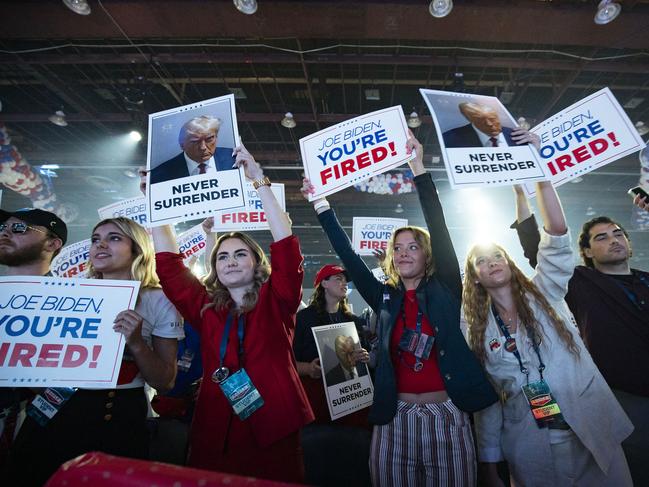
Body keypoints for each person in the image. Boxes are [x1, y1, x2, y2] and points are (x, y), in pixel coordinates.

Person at [303, 132, 497, 486]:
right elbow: (348, 255)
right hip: (393, 417)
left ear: (427, 254)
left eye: (413, 246)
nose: (404, 252)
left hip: (447, 416)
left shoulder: (447, 287)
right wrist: (321, 204)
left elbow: (438, 225)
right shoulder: (383, 297)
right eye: (398, 247)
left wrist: (418, 168)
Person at [149, 144, 313, 483]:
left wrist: (259, 182)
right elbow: (167, 266)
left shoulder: (277, 301)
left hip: (272, 428)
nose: (231, 261)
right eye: (223, 257)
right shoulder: (205, 309)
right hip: (214, 429)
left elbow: (285, 243)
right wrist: (157, 201)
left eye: (240, 254)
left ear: (256, 264)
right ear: (216, 267)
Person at [463, 181, 633, 486]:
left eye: (497, 256)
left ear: (510, 264)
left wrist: (539, 178)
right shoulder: (476, 329)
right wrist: (489, 462)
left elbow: (555, 234)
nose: (491, 263)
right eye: (481, 261)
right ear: (475, 277)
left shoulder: (545, 292)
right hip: (530, 442)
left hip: (590, 426)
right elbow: (489, 399)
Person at [7, 216, 183, 487]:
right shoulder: (67, 292)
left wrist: (136, 343)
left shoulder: (158, 299)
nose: (101, 245)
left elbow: (164, 382)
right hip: (53, 411)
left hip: (116, 415)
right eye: (95, 239)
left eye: (114, 238)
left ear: (137, 249)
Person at [511, 189, 649, 486]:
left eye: (618, 234)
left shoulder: (645, 279)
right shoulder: (579, 281)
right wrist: (521, 193)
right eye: (601, 237)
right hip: (626, 400)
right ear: (585, 251)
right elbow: (536, 248)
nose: (614, 240)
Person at [0, 208, 67, 470]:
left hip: (35, 432)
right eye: (3, 227)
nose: (5, 232)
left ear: (52, 243)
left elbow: (71, 386)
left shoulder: (77, 303)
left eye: (19, 228)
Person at [293, 263, 372, 486]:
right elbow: (288, 361)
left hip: (352, 409)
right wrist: (308, 368)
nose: (343, 283)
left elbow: (362, 363)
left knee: (350, 467)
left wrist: (363, 357)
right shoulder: (304, 319)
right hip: (316, 409)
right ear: (323, 284)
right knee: (317, 468)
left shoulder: (355, 321)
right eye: (336, 278)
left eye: (344, 279)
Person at [150, 115, 235, 184]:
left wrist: (248, 173)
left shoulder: (235, 158)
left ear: (216, 137)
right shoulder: (159, 175)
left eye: (209, 139)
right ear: (182, 145)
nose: (203, 147)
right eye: (195, 142)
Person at [443, 102, 515, 148]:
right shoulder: (448, 139)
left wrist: (527, 143)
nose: (489, 124)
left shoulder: (517, 135)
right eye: (480, 120)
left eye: (492, 119)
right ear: (470, 120)